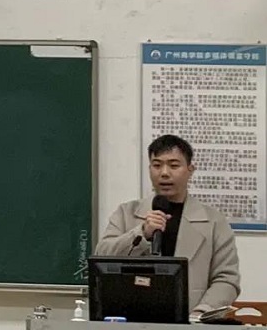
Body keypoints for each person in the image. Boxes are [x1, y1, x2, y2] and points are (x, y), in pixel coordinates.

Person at [94, 134, 241, 315]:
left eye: (174, 165)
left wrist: (201, 313)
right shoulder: (126, 213)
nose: (164, 173)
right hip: (131, 317)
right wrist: (141, 233)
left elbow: (227, 279)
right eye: (157, 165)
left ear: (190, 170)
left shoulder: (214, 221)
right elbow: (101, 257)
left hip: (191, 320)